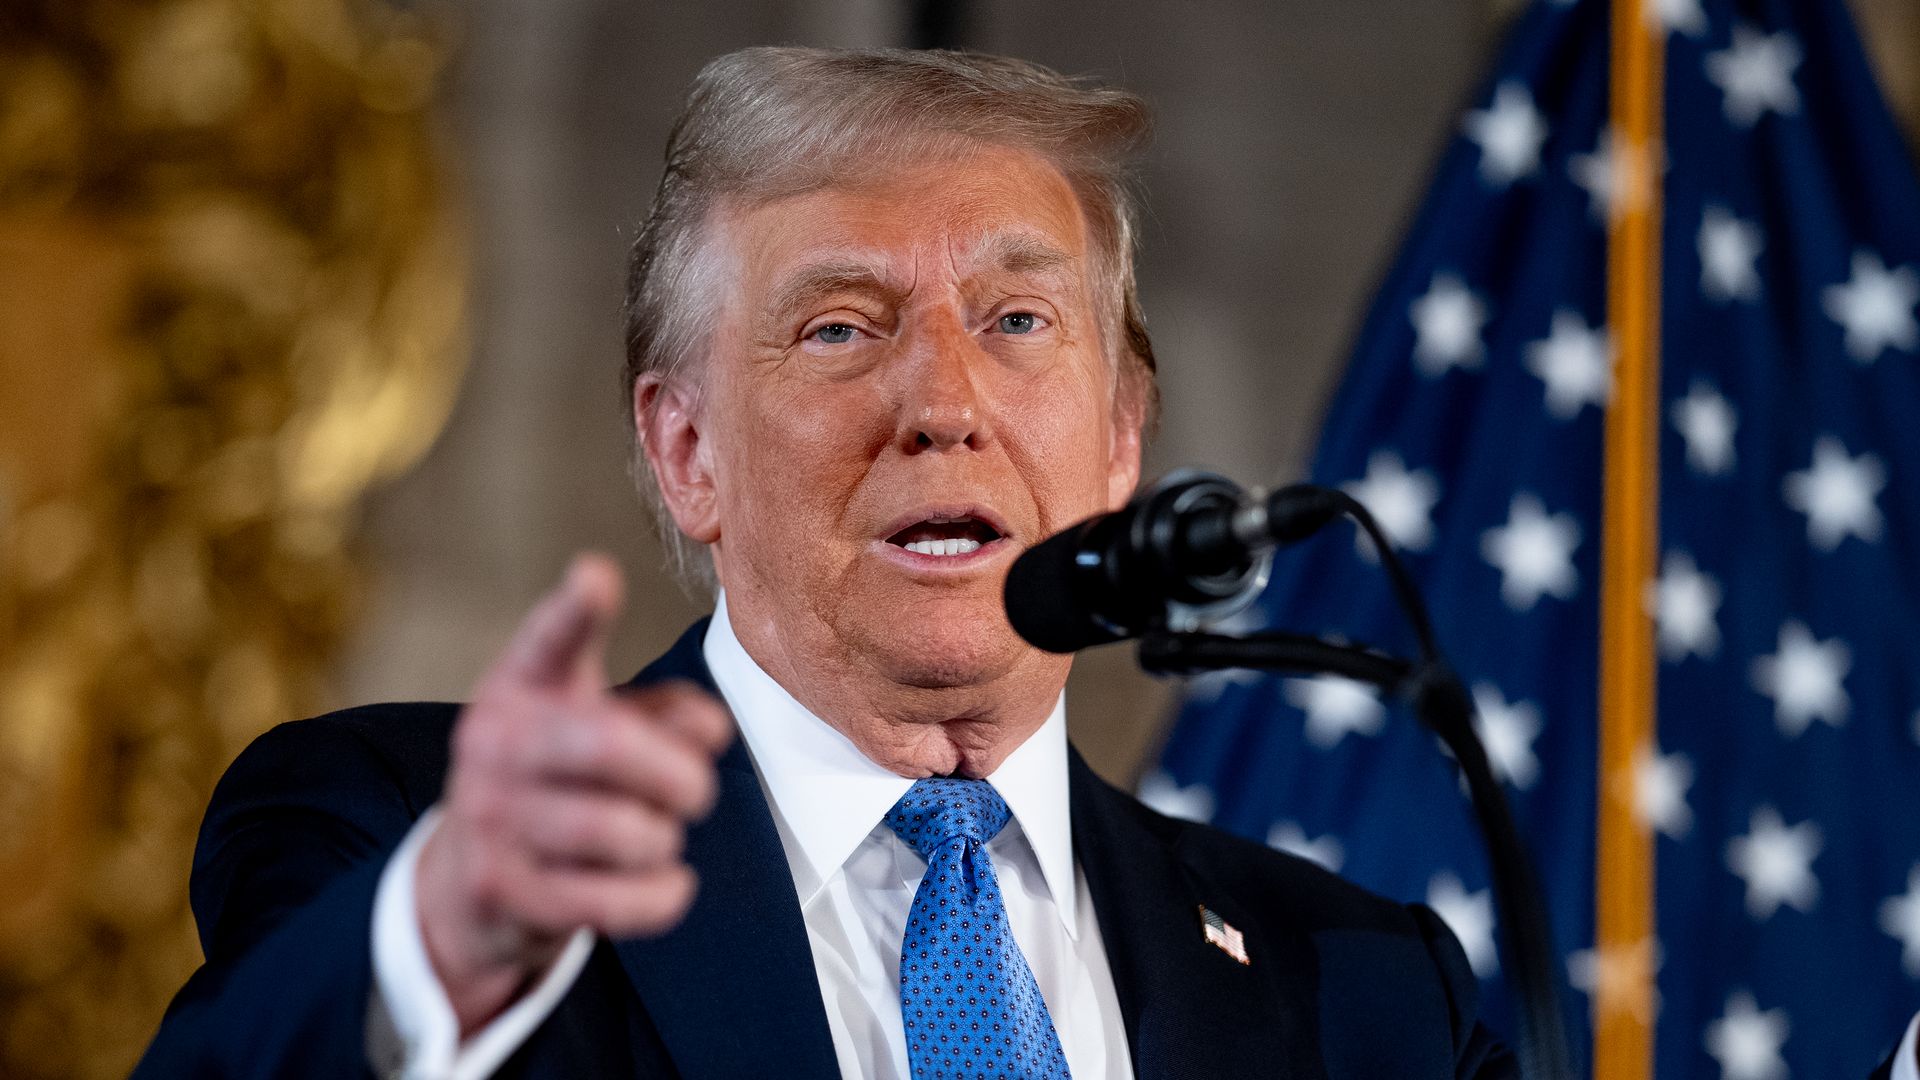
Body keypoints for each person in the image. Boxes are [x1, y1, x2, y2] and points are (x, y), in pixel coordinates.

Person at [131, 45, 1917, 1079]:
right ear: (683, 451)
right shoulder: (396, 837)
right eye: (839, 328)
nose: (944, 401)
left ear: (1122, 441)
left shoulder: (1358, 988)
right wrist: (437, 944)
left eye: (1017, 318)